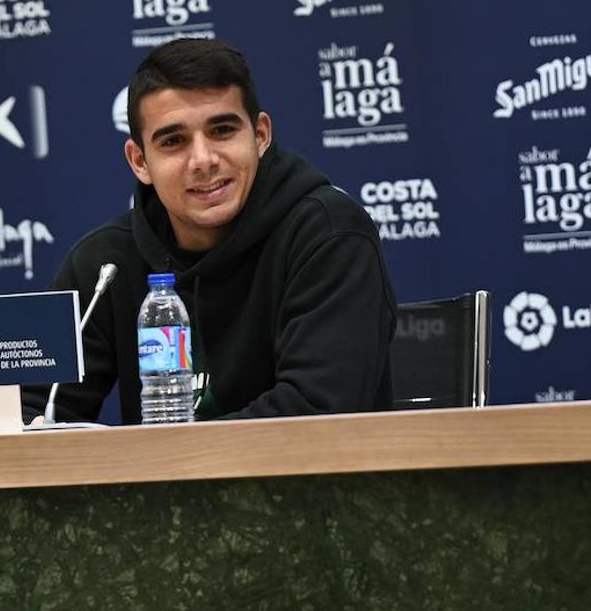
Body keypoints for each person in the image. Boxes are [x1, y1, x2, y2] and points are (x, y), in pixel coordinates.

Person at [22, 38, 396, 424]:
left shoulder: (328, 235)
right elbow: (31, 414)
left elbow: (317, 413)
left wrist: (158, 462)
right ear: (139, 161)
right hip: (158, 483)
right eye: (174, 141)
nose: (202, 160)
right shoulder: (105, 267)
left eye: (222, 131)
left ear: (261, 135)